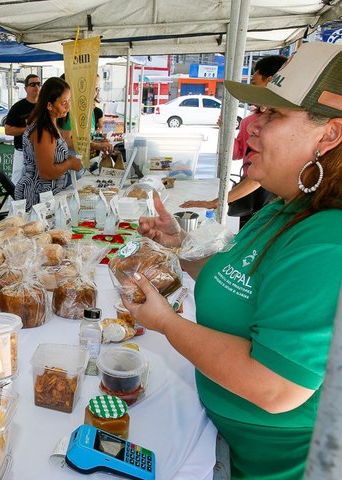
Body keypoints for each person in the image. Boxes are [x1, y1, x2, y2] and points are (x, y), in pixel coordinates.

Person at [128, 42, 342, 479]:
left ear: (329, 135)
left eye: (273, 115)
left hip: (272, 464)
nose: (253, 126)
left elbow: (276, 386)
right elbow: (237, 280)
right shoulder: (287, 205)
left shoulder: (328, 239)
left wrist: (167, 323)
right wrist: (179, 249)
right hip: (226, 435)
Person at [181, 55, 288, 228]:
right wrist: (227, 132)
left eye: (274, 115)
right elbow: (237, 154)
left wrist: (216, 202)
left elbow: (259, 179)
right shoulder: (250, 121)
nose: (255, 127)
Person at [14, 77, 84, 210]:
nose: (68, 106)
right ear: (49, 105)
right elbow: (46, 172)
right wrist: (69, 163)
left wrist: (66, 158)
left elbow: (51, 155)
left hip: (47, 195)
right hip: (36, 196)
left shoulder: (51, 125)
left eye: (69, 101)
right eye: (63, 102)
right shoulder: (44, 131)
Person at [5, 74, 41, 184]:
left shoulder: (45, 106)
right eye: (32, 84)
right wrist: (27, 129)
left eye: (38, 84)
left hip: (40, 151)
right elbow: (8, 130)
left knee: (39, 183)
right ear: (26, 88)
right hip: (22, 152)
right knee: (17, 182)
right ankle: (12, 202)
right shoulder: (18, 107)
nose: (36, 87)